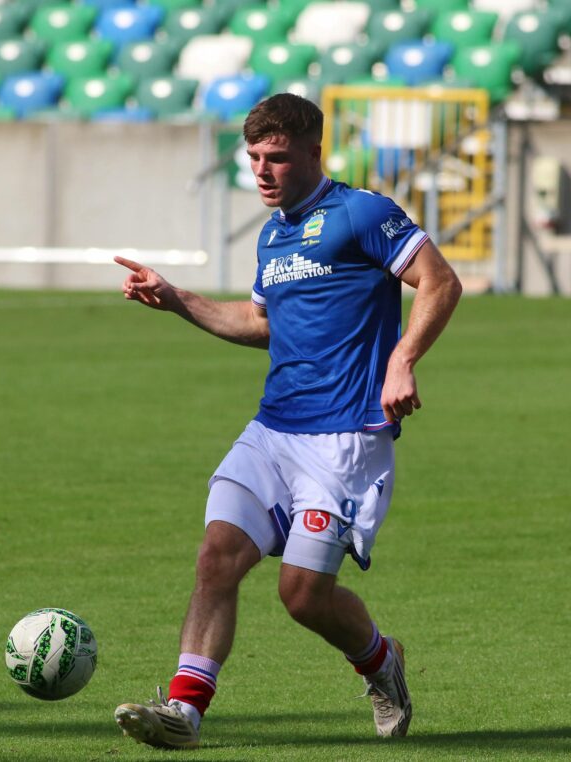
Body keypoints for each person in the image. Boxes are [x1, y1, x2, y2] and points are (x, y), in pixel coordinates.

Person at [113, 93, 462, 749]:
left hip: (345, 440)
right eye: (253, 157)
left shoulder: (362, 213)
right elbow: (260, 324)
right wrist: (177, 298)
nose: (262, 171)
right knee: (216, 556)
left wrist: (402, 360)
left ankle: (381, 660)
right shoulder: (272, 235)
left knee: (302, 596)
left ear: (312, 151)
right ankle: (185, 711)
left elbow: (440, 281)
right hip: (272, 432)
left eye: (275, 157)